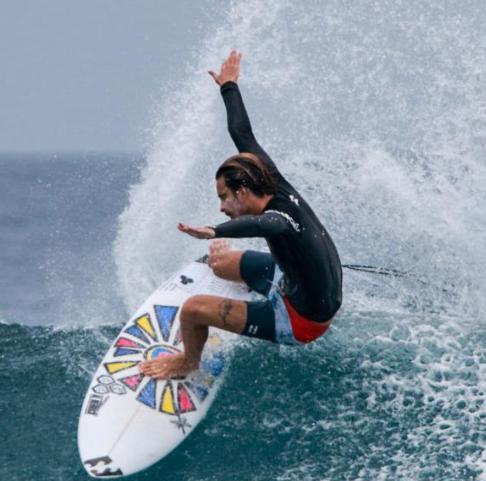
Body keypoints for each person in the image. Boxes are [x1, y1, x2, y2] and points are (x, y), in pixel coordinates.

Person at [139, 50, 342, 380]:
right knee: (219, 265)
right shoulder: (270, 179)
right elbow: (242, 134)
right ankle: (256, 288)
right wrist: (229, 86)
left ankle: (187, 363)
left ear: (244, 191)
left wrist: (215, 230)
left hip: (302, 321)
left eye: (225, 198)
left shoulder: (278, 221)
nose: (222, 206)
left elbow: (263, 224)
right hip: (293, 284)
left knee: (192, 311)